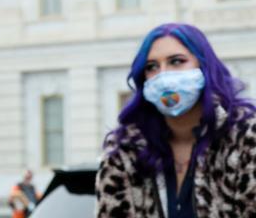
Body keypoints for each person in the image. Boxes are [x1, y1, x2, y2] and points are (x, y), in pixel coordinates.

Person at [97, 23, 256, 217]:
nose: (163, 75)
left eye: (177, 61)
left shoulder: (244, 137)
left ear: (204, 67)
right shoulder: (125, 150)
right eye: (152, 67)